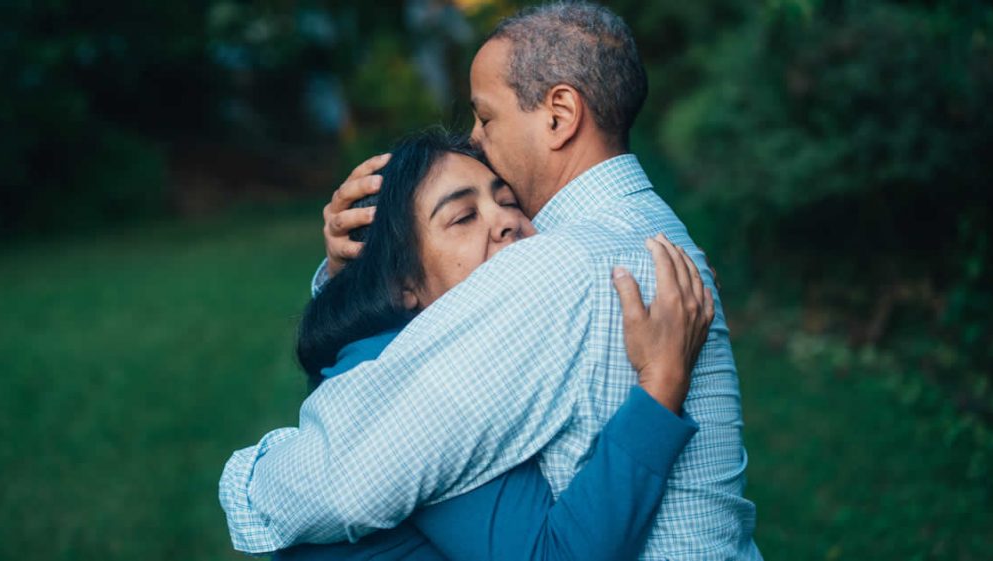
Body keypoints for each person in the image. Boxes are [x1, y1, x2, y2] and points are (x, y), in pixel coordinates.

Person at [221, 3, 761, 559]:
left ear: (559, 115)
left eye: (486, 116)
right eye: (462, 215)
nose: (476, 139)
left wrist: (249, 479)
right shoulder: (657, 237)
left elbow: (342, 479)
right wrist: (353, 274)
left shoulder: (557, 266)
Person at [280, 129, 710, 560]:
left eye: (508, 201)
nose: (507, 221)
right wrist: (661, 385)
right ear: (401, 284)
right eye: (464, 217)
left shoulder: (415, 347)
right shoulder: (424, 388)